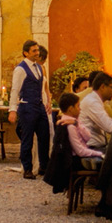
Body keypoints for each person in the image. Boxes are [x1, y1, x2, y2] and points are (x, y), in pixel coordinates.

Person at [8, 40, 50, 179]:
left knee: (44, 136)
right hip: (27, 107)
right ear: (26, 53)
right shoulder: (20, 69)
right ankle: (27, 169)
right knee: (27, 139)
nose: (37, 53)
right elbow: (15, 90)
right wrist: (12, 110)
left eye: (38, 50)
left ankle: (44, 166)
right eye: (34, 51)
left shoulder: (38, 67)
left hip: (39, 106)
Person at [78, 73, 112, 150]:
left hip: (96, 146)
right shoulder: (92, 102)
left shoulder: (96, 100)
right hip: (91, 148)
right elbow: (109, 127)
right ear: (102, 87)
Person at [56, 93, 103, 169]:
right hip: (77, 160)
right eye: (78, 106)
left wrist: (77, 124)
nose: (80, 109)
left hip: (83, 153)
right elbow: (80, 151)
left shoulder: (75, 121)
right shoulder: (70, 126)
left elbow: (88, 137)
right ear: (71, 109)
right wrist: (99, 154)